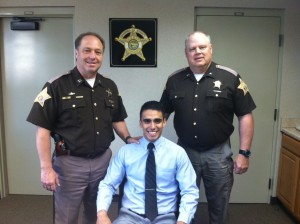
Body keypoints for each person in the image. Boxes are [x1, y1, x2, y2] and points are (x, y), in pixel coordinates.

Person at [26, 32, 139, 224]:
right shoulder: (56, 86)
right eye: (87, 50)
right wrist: (46, 168)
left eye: (98, 51)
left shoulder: (109, 86)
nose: (92, 56)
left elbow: (117, 118)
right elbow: (42, 131)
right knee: (67, 216)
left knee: (97, 211)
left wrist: (128, 138)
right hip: (70, 164)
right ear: (77, 53)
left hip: (102, 162)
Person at [160, 31, 256, 224]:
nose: (198, 52)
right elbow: (161, 114)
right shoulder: (174, 80)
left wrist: (244, 153)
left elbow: (245, 115)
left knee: (219, 204)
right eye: (192, 49)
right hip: (185, 152)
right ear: (186, 53)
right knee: (184, 204)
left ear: (210, 49)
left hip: (218, 153)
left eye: (202, 47)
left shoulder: (230, 78)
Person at [96, 101, 199, 224]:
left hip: (165, 218)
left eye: (157, 121)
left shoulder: (177, 153)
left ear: (164, 122)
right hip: (129, 217)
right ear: (140, 123)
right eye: (147, 121)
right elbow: (108, 185)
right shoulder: (126, 152)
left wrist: (182, 221)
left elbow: (190, 191)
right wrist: (102, 214)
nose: (152, 126)